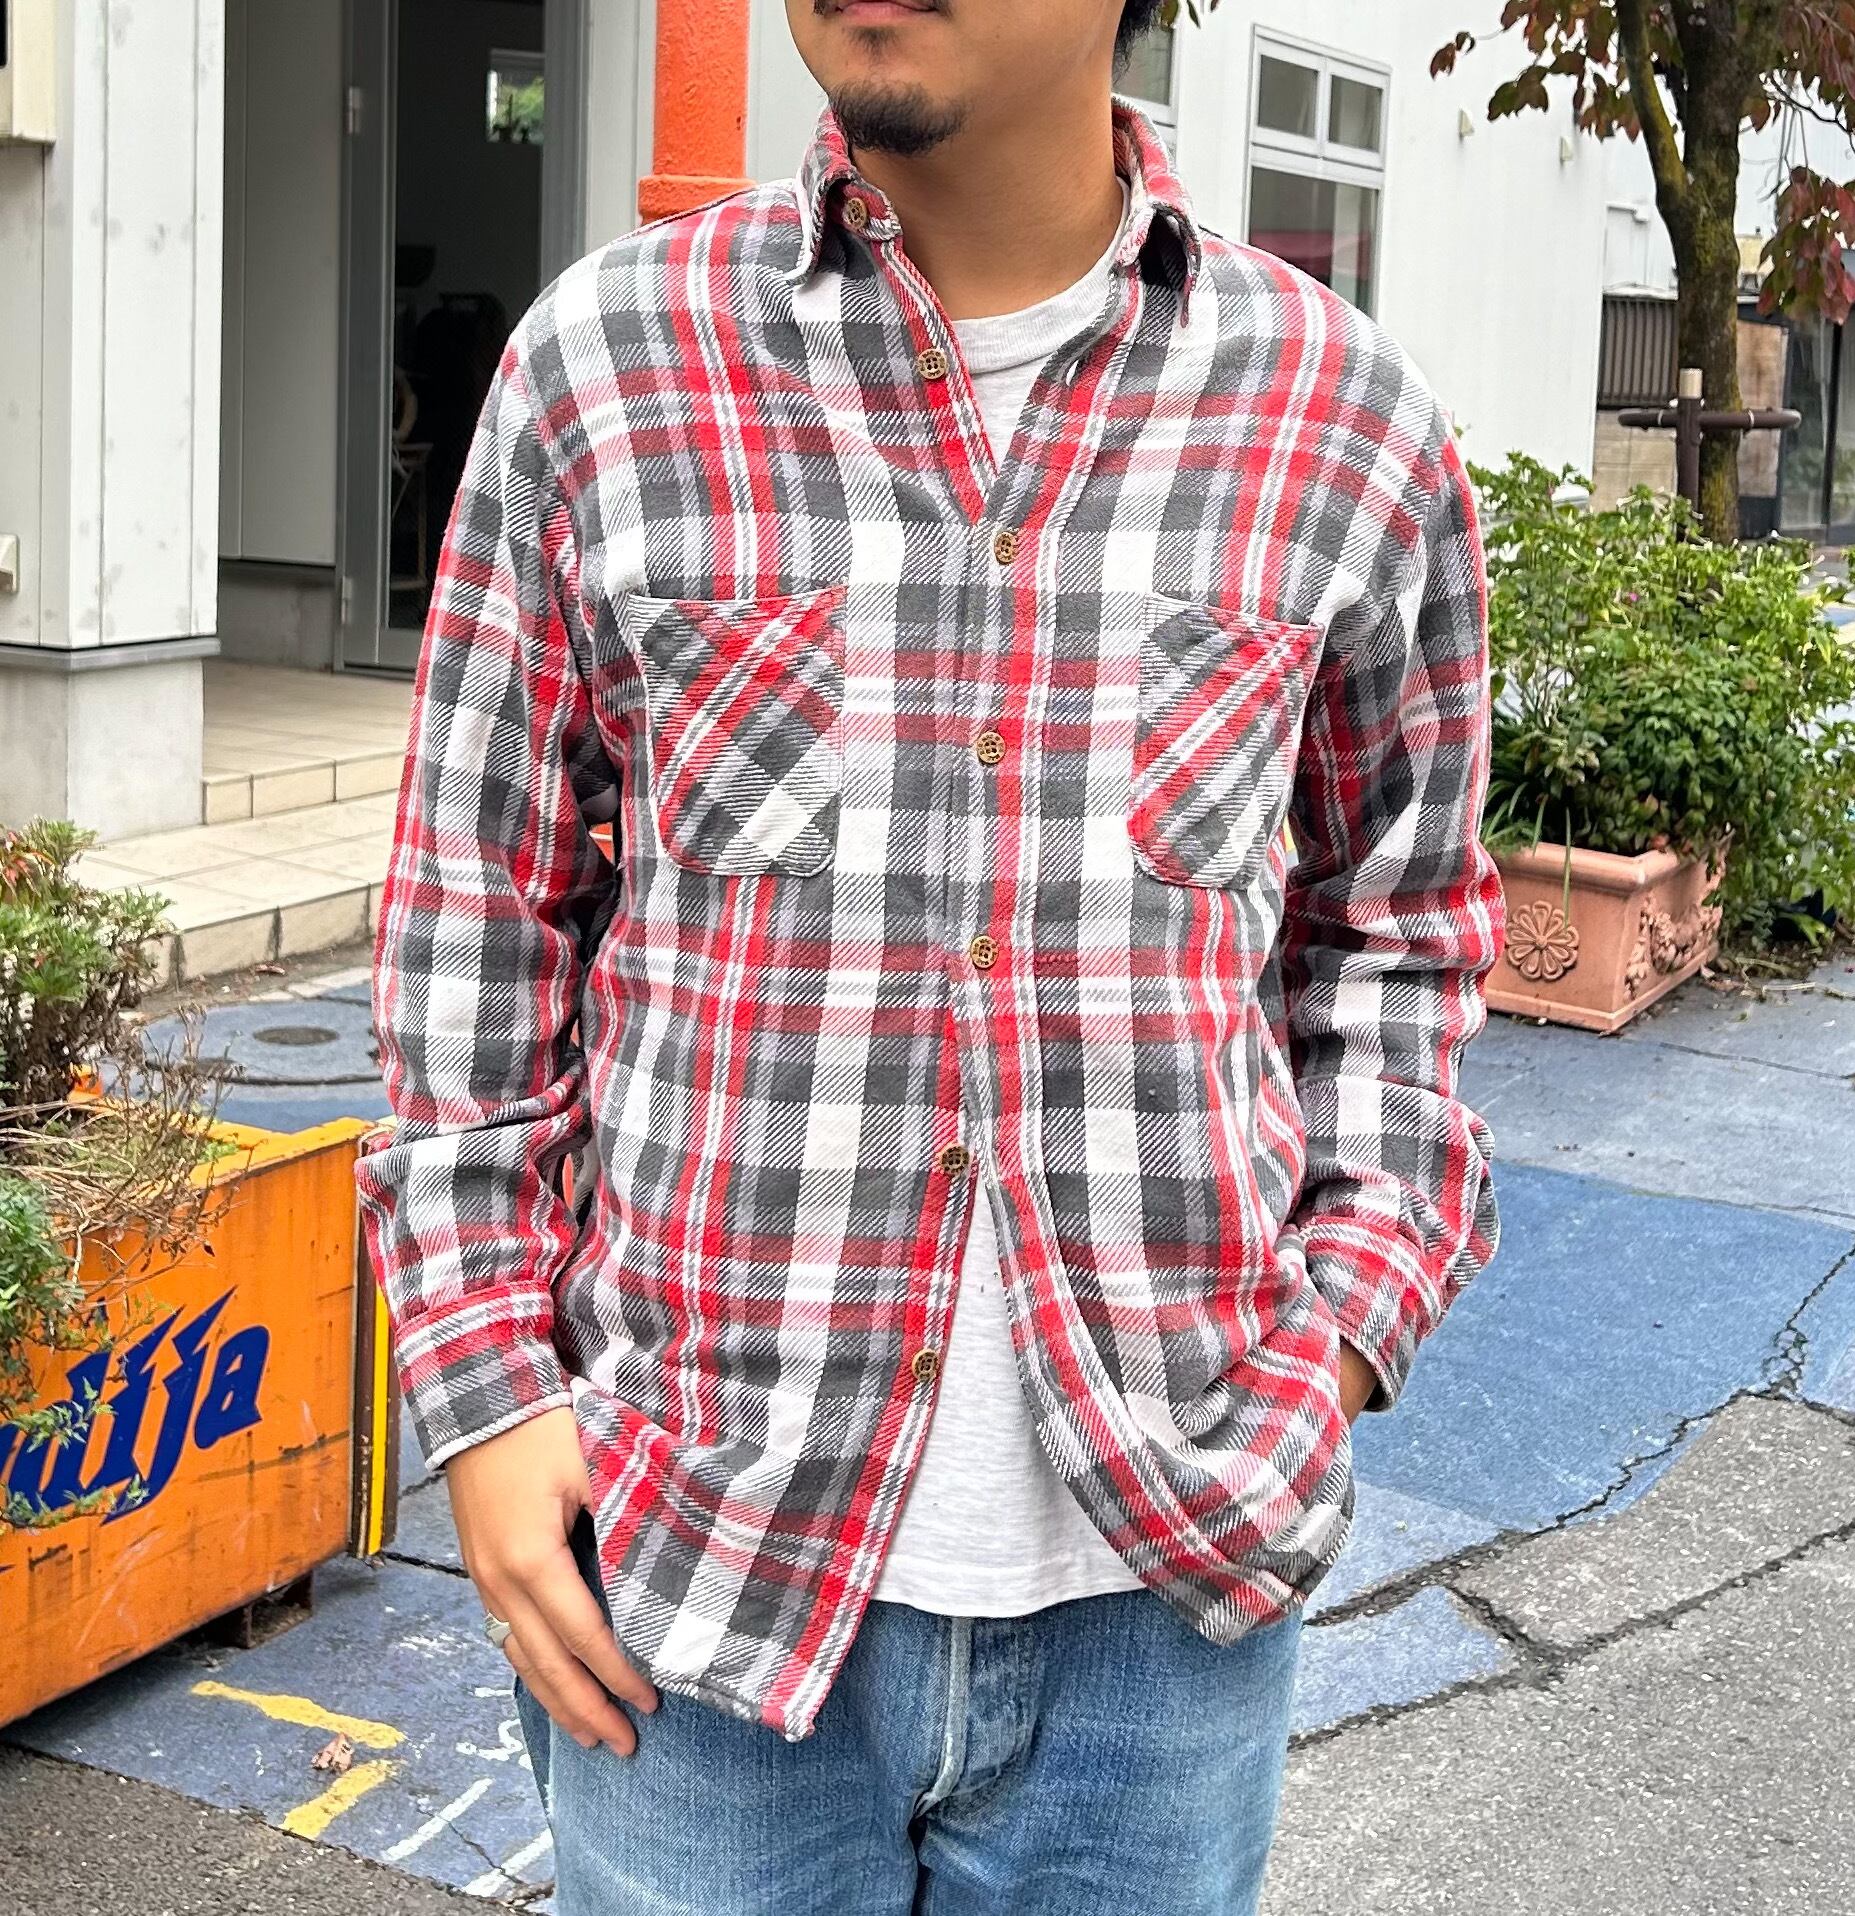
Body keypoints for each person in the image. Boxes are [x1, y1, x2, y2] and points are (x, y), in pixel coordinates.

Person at [357, 1, 1505, 1909]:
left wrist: (1339, 1337)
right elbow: (476, 911)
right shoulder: (608, 369)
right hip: (690, 1588)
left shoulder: (1340, 419)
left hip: (1168, 1602)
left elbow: (1398, 928)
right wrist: (485, 1395)